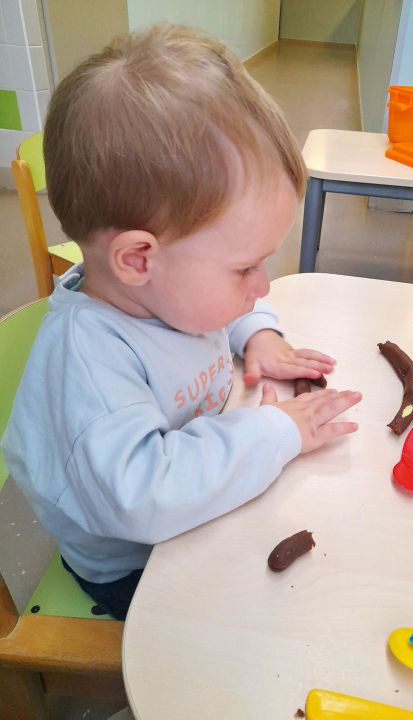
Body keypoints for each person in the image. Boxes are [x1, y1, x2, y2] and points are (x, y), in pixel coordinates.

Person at [2, 24, 361, 620]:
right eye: (244, 267)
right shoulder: (89, 366)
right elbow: (147, 497)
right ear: (139, 259)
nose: (262, 286)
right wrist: (276, 434)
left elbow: (209, 309)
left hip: (198, 500)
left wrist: (257, 333)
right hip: (137, 562)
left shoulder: (159, 291)